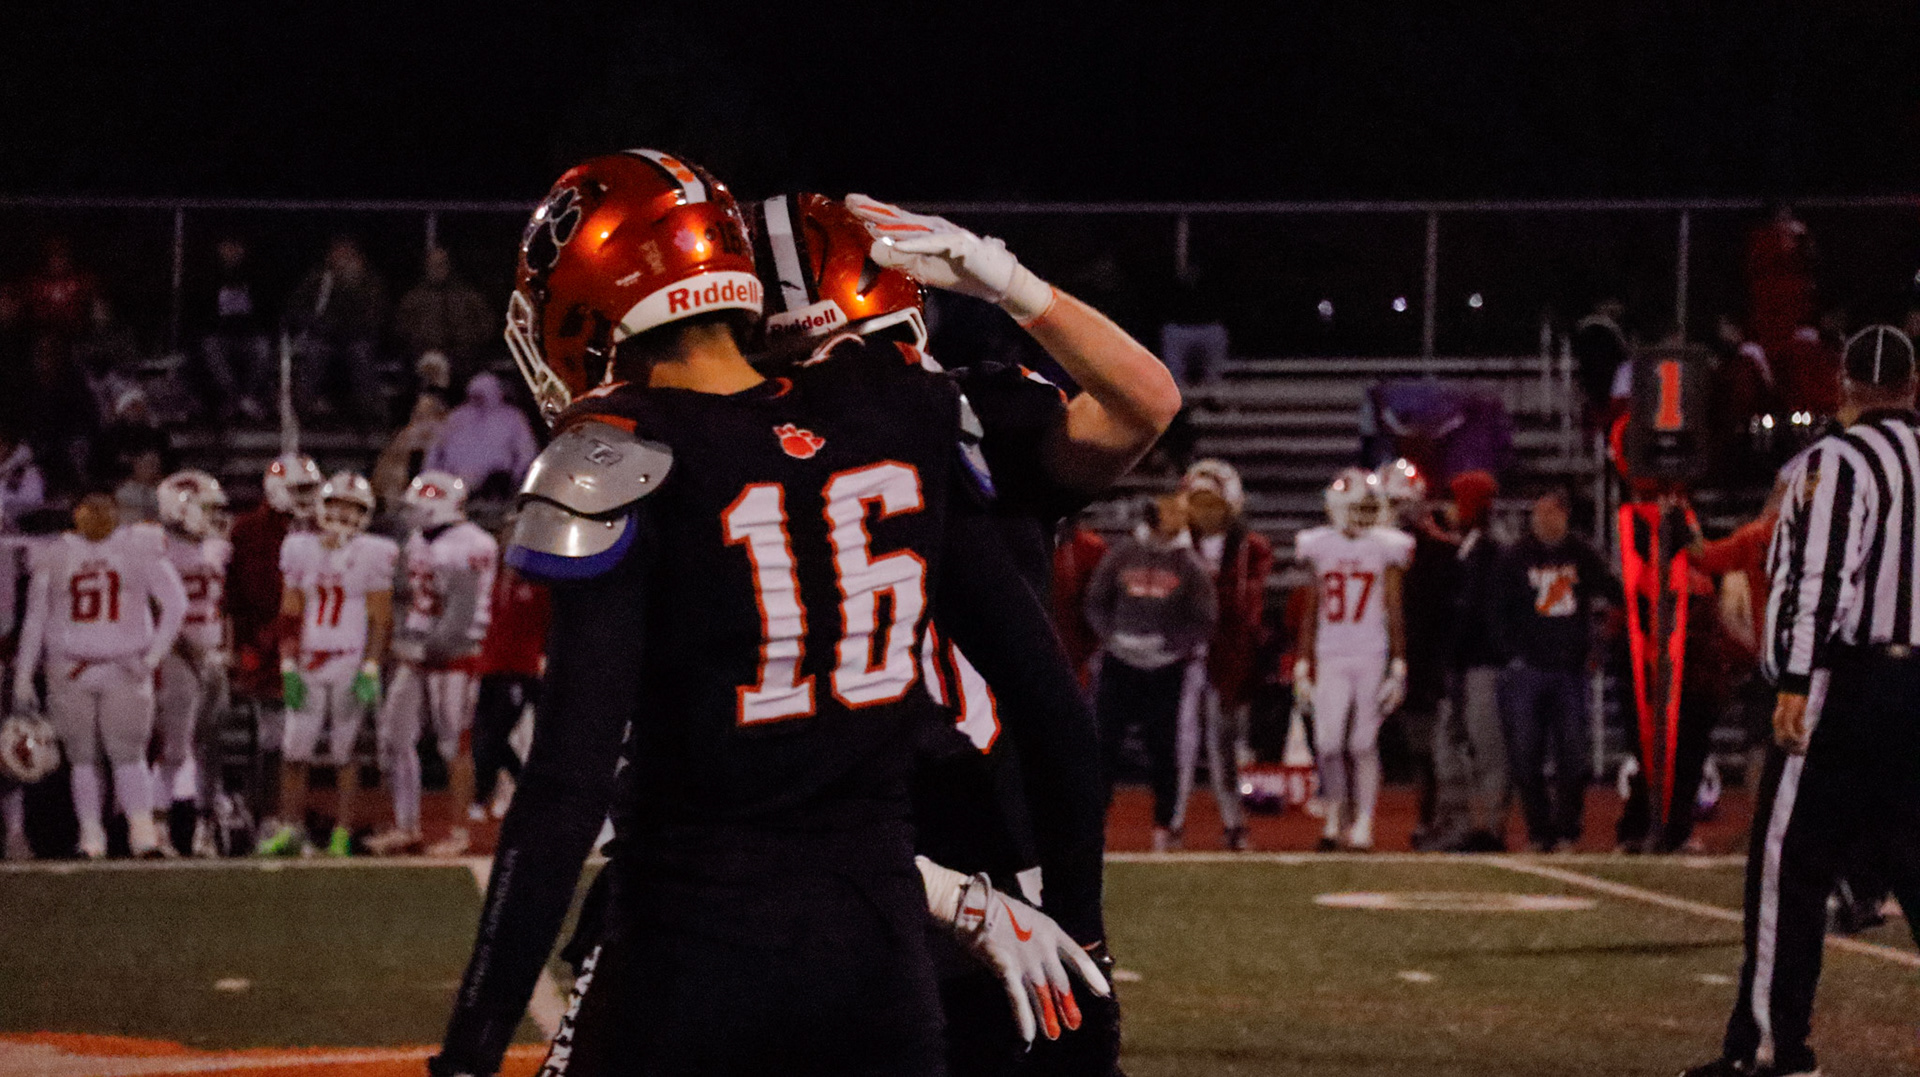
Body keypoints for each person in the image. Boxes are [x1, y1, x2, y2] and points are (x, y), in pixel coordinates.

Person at [435, 153, 1108, 1077]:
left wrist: (469, 1051)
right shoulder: (899, 415)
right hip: (880, 968)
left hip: (690, 954)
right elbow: (1054, 709)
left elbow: (562, 790)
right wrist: (1082, 927)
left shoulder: (618, 453)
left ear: (594, 294)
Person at [749, 191, 1175, 1074]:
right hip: (824, 833)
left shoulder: (969, 419)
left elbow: (1144, 403)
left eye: (804, 356)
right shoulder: (741, 449)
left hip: (983, 826)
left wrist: (1015, 286)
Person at [1684, 325, 1920, 1077]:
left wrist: (1793, 678)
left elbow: (1819, 579)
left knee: (1790, 866)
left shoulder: (1838, 461)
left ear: (1845, 385)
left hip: (1847, 685)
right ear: (1912, 385)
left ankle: (1770, 1049)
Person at [12, 491, 187, 857]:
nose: (96, 516)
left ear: (116, 511)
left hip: (122, 665)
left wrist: (153, 657)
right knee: (82, 756)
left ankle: (141, 831)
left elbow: (175, 602)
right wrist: (24, 674)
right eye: (89, 509)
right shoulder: (57, 553)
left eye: (103, 508)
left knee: (128, 753)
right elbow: (36, 619)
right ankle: (92, 833)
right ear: (76, 514)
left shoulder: (137, 545)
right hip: (71, 667)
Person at [257, 473, 395, 858]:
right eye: (337, 506)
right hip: (308, 660)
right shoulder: (300, 549)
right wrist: (287, 664)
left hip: (348, 660)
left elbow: (381, 618)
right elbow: (289, 613)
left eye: (353, 509)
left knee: (343, 753)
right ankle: (291, 829)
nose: (343, 515)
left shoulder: (373, 553)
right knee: (294, 750)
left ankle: (342, 832)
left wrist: (371, 666)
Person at [367, 471, 496, 856]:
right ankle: (406, 825)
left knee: (453, 743)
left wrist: (420, 648)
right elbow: (409, 597)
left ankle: (459, 831)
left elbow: (460, 612)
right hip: (418, 650)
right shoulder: (418, 540)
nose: (411, 514)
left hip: (457, 653)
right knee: (395, 736)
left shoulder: (472, 544)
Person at [1084, 491, 1217, 851]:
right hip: (1119, 662)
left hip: (1164, 667)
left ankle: (1164, 826)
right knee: (1104, 745)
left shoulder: (1188, 564)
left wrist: (1173, 646)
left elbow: (1204, 617)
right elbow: (1096, 601)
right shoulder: (1122, 554)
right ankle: (1094, 823)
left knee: (1163, 749)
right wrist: (1111, 636)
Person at [1494, 489, 1617, 853]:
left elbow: (1611, 589)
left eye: (1548, 514)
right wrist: (1513, 652)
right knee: (1525, 754)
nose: (1541, 520)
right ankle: (1539, 830)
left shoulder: (1581, 553)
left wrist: (1595, 641)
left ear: (1563, 516)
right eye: (1538, 514)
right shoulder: (1516, 556)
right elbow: (1498, 609)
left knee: (1572, 755)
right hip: (1529, 669)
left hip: (1568, 669)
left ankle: (1566, 830)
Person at [1294, 467, 1410, 851]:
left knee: (1362, 743)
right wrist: (1302, 661)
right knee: (1328, 744)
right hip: (1330, 653)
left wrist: (1398, 664)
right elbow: (1312, 607)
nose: (1366, 515)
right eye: (1359, 507)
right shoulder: (1320, 546)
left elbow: (1393, 607)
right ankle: (1335, 812)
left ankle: (1363, 822)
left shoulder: (1384, 546)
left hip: (1371, 652)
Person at [1174, 458, 1268, 851]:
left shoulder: (1249, 548)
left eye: (1211, 503)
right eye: (1197, 503)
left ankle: (1232, 821)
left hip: (1224, 655)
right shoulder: (1177, 543)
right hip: (1180, 655)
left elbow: (1246, 610)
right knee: (1179, 743)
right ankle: (1171, 821)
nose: (1204, 512)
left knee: (1222, 746)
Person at [1430, 469, 1511, 851]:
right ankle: (1462, 824)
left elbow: (1475, 611)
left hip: (1481, 662)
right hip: (1466, 661)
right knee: (1451, 744)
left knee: (1485, 744)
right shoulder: (1469, 548)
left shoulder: (1489, 552)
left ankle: (1490, 827)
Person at [154, 470, 232, 856]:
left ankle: (205, 825)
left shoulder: (217, 548)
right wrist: (189, 651)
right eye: (207, 508)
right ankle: (158, 826)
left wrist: (224, 648)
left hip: (212, 653)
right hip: (175, 655)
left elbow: (224, 604)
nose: (214, 516)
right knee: (174, 746)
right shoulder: (160, 548)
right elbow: (155, 608)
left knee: (210, 746)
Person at [471, 553, 548, 819]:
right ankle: (505, 791)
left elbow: (547, 624)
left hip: (520, 670)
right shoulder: (495, 583)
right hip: (490, 668)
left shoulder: (538, 585)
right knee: (484, 737)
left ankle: (499, 793)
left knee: (496, 736)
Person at [284, 235, 388, 426]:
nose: (342, 259)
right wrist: (314, 324)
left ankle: (370, 413)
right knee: (314, 353)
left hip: (356, 337)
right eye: (338, 253)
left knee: (360, 354)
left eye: (347, 254)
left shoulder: (369, 283)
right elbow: (297, 307)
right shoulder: (318, 280)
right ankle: (303, 411)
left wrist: (352, 287)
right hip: (322, 336)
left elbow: (374, 316)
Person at [192, 236, 274, 422]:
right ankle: (236, 397)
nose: (231, 252)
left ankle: (248, 397)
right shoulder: (207, 275)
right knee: (210, 347)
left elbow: (266, 310)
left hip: (249, 335)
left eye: (236, 247)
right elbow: (199, 312)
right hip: (219, 335)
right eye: (227, 248)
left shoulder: (256, 275)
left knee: (263, 347)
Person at [422, 372, 538, 498]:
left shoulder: (512, 417)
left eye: (482, 395)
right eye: (475, 395)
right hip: (454, 481)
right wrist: (430, 475)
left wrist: (516, 478)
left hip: (494, 485)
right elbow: (436, 448)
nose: (478, 400)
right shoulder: (458, 416)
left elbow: (526, 451)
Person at [392, 246, 494, 387]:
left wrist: (466, 343)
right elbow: (402, 329)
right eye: (433, 265)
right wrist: (424, 349)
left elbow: (486, 325)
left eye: (441, 264)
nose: (437, 269)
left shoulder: (469, 297)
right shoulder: (413, 299)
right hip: (424, 356)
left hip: (463, 358)